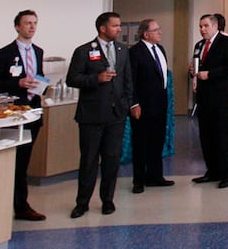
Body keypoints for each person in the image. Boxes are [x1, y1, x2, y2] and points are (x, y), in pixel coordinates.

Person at [67, 12, 139, 218]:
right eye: (115, 26)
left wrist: (127, 103)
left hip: (116, 114)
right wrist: (95, 78)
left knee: (111, 159)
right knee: (89, 160)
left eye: (119, 25)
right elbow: (72, 78)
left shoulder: (122, 50)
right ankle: (82, 203)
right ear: (102, 28)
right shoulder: (83, 51)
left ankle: (107, 199)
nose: (119, 29)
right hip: (91, 115)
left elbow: (127, 80)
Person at [0, 9, 46, 220]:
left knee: (24, 161)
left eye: (35, 23)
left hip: (33, 111)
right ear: (17, 27)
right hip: (13, 113)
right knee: (14, 163)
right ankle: (14, 205)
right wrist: (17, 83)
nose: (32, 27)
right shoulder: (3, 54)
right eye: (28, 23)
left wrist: (42, 85)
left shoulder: (38, 52)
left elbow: (40, 76)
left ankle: (21, 205)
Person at [192, 13, 228, 188]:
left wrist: (210, 74)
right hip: (204, 98)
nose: (202, 29)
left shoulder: (226, 43)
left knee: (222, 136)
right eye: (200, 26)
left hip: (221, 97)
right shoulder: (199, 45)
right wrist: (194, 70)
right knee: (206, 136)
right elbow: (199, 64)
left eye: (205, 26)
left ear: (215, 26)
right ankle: (212, 171)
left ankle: (227, 173)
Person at [127, 17, 174, 191]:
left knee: (157, 142)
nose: (160, 32)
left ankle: (155, 176)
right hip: (142, 106)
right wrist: (133, 104)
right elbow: (130, 80)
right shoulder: (135, 52)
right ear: (146, 34)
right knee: (141, 144)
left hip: (160, 105)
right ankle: (139, 180)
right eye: (156, 30)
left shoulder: (160, 49)